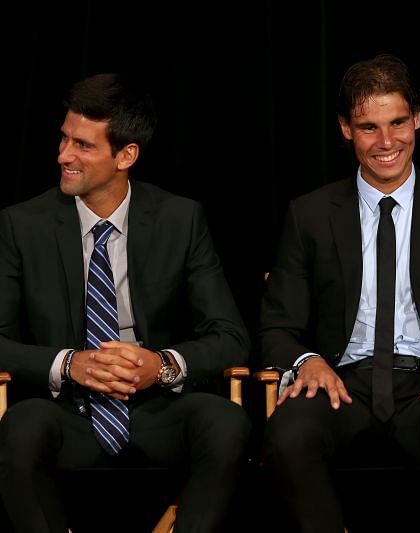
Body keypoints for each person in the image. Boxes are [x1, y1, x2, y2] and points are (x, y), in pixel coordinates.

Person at [260, 53, 420, 533]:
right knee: (289, 430)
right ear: (345, 129)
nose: (386, 142)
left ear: (417, 119)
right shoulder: (310, 214)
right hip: (342, 383)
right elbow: (276, 327)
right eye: (368, 127)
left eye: (398, 122)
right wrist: (307, 361)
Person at [0, 73, 251, 532]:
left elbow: (231, 336)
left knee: (225, 422)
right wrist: (67, 364)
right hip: (66, 412)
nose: (63, 155)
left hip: (156, 409)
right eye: (64, 139)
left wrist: (162, 365)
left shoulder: (180, 219)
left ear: (126, 155)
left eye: (83, 146)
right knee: (21, 427)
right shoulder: (22, 225)